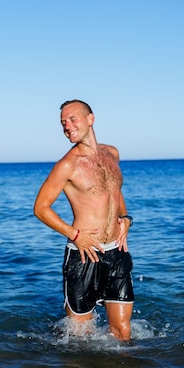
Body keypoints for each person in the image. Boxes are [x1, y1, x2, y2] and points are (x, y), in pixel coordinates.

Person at [34, 99, 134, 341]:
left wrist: (126, 219)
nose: (66, 126)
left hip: (116, 251)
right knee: (79, 337)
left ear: (91, 119)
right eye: (62, 123)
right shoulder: (67, 164)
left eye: (72, 119)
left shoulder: (112, 153)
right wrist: (75, 235)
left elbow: (115, 192)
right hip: (84, 253)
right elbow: (41, 208)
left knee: (123, 331)